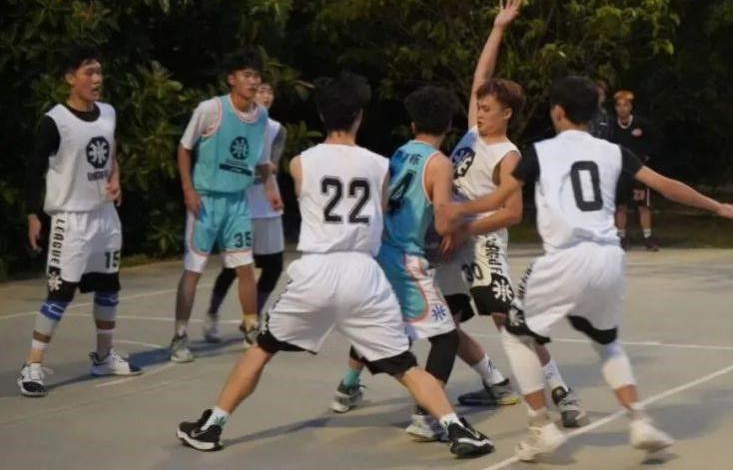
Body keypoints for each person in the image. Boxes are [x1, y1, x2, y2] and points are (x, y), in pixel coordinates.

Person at [176, 73, 494, 458]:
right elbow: (381, 211)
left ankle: (212, 425)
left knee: (262, 349)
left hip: (317, 270)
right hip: (363, 273)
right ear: (359, 116)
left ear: (323, 116)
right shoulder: (379, 165)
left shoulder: (300, 163)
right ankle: (456, 427)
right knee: (405, 366)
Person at [449, 75, 733, 461]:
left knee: (515, 332)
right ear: (593, 114)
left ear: (557, 112)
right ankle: (640, 422)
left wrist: (456, 212)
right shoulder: (613, 152)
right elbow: (665, 185)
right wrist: (717, 206)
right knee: (607, 342)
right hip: (608, 259)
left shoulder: (541, 153)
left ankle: (541, 428)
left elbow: (499, 198)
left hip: (566, 257)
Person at [431, 0, 586, 428]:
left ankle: (561, 390)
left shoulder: (508, 154)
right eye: (478, 106)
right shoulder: (473, 133)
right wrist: (498, 28)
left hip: (482, 243)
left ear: (506, 114)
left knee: (508, 319)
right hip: (453, 241)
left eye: (487, 108)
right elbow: (480, 77)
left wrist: (467, 228)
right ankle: (495, 382)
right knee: (443, 319)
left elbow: (513, 213)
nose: (479, 112)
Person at [327, 86, 471, 441]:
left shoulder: (400, 153)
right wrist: (468, 217)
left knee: (384, 325)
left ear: (413, 125)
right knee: (446, 339)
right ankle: (427, 416)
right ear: (449, 126)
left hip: (380, 250)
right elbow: (442, 223)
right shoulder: (440, 164)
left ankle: (347, 387)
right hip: (406, 259)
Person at [18, 47, 140, 396]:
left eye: (99, 71)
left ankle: (103, 357)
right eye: (89, 72)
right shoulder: (55, 121)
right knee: (60, 293)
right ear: (70, 78)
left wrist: (116, 178)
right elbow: (33, 170)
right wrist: (32, 214)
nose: (96, 79)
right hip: (70, 219)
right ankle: (33, 365)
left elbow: (110, 153)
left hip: (104, 215)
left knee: (108, 287)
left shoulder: (108, 113)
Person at [170, 48, 282, 362]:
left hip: (237, 202)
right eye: (247, 75)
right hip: (205, 200)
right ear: (232, 79)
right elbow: (184, 148)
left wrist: (271, 189)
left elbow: (261, 161)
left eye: (257, 76)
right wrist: (188, 189)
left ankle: (251, 327)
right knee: (194, 269)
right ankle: (179, 335)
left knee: (244, 266)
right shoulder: (211, 109)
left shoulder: (261, 117)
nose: (253, 81)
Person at [204, 82, 287, 341]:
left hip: (267, 205)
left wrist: (259, 167)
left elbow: (272, 165)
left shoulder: (277, 129)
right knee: (234, 268)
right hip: (240, 204)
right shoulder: (232, 125)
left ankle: (252, 320)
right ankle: (212, 313)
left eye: (270, 91)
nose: (266, 95)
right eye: (261, 90)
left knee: (273, 267)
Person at [611, 90, 661, 251]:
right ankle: (621, 238)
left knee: (643, 206)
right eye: (619, 105)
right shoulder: (611, 126)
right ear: (615, 108)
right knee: (621, 206)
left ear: (631, 107)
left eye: (626, 105)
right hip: (619, 171)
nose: (622, 109)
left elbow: (655, 140)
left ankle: (648, 238)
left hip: (639, 171)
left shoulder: (641, 124)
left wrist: (647, 155)